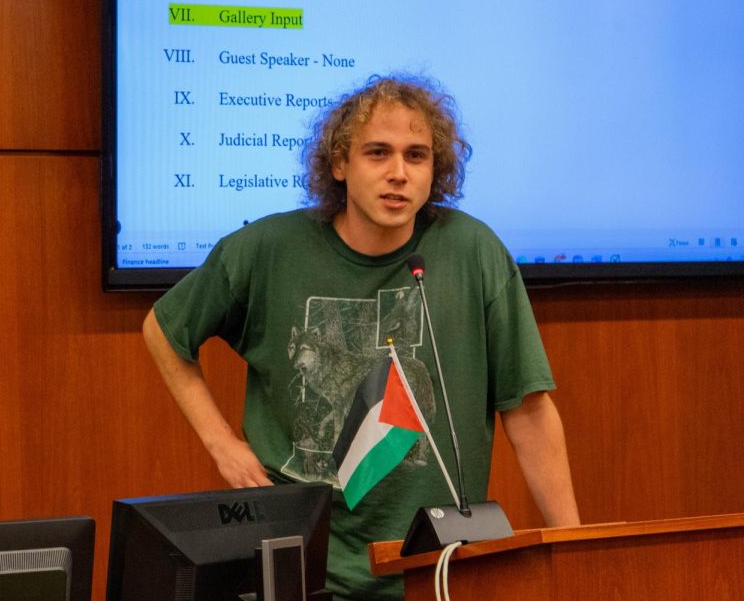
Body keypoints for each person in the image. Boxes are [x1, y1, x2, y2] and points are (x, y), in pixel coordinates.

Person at [143, 74, 580, 599]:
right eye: (378, 153)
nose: (398, 173)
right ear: (339, 164)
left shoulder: (473, 252)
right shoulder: (269, 249)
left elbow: (528, 410)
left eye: (416, 156)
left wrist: (571, 550)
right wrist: (221, 444)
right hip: (302, 567)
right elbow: (164, 330)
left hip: (433, 568)